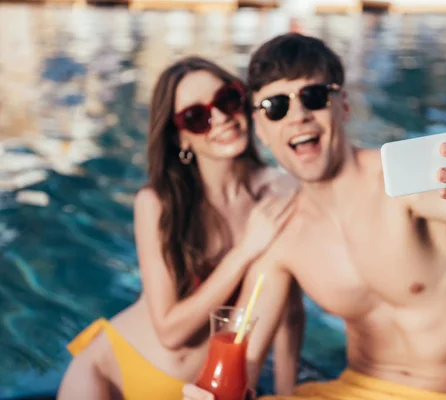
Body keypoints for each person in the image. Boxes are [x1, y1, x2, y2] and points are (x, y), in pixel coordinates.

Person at [184, 32, 446, 400]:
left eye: (313, 97)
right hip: (351, 389)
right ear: (261, 130)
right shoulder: (282, 227)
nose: (299, 116)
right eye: (275, 106)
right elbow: (245, 350)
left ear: (343, 105)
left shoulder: (402, 181)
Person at [57, 56, 304, 400]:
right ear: (181, 139)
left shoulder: (280, 192)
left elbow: (289, 309)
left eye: (227, 99)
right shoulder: (158, 202)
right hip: (112, 372)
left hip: (209, 387)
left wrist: (287, 393)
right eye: (196, 117)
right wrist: (246, 249)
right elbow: (170, 331)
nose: (219, 118)